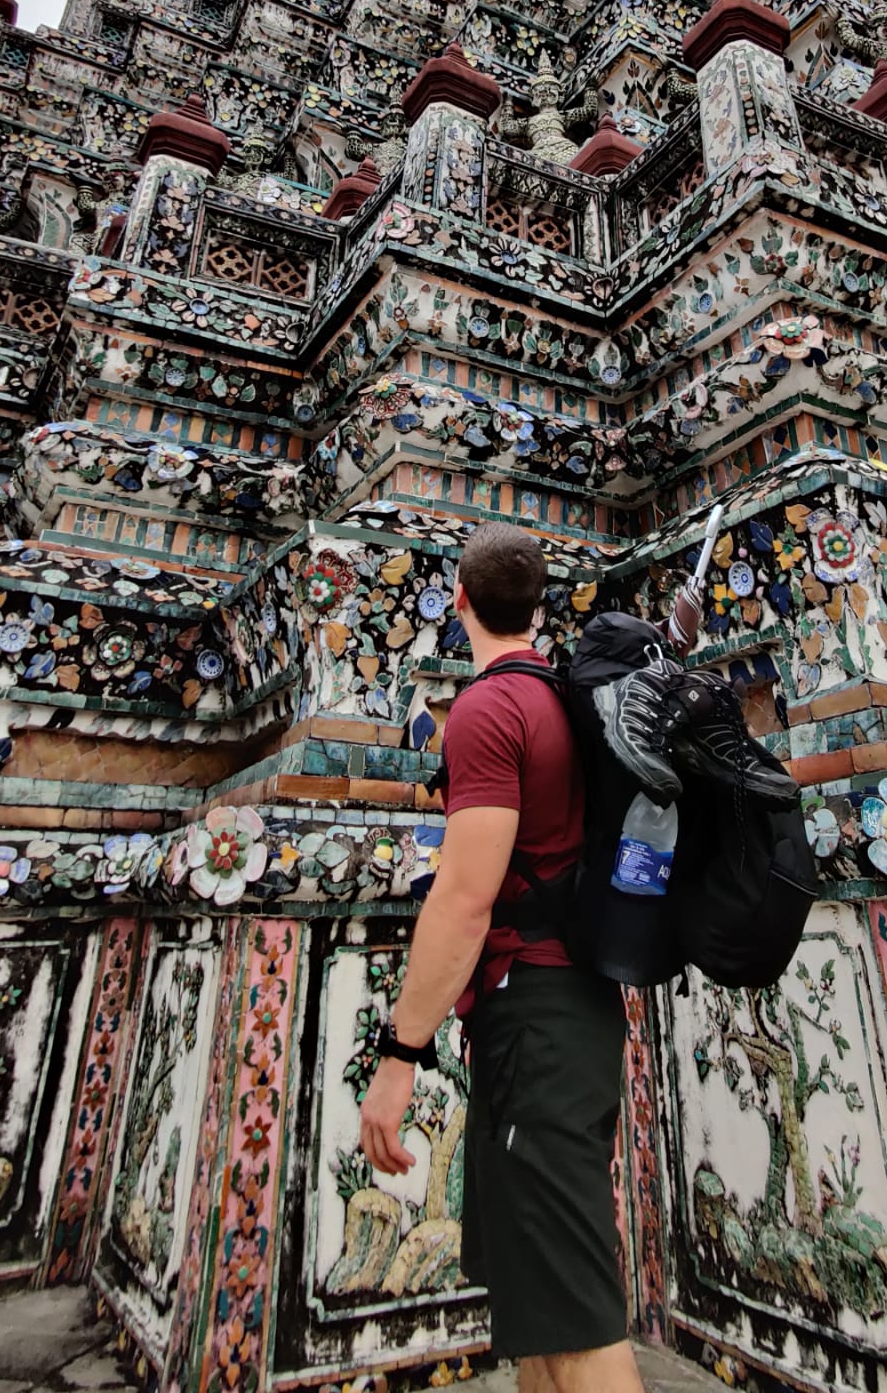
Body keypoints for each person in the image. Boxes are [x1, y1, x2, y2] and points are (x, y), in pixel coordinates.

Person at [357, 522, 644, 1393]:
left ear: (458, 600)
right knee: (539, 1310)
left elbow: (465, 894)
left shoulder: (488, 709)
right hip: (574, 1008)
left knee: (579, 1316)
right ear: (540, 604)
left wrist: (400, 1054)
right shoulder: (566, 698)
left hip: (538, 1020)